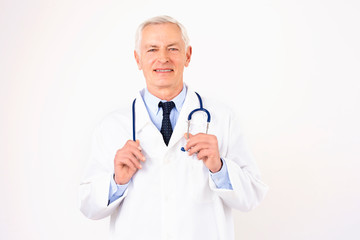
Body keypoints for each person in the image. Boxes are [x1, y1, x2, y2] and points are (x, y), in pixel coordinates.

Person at [79, 15, 268, 240]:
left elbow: (253, 196)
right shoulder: (111, 127)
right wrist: (116, 181)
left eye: (172, 49)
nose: (163, 58)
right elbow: (89, 206)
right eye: (152, 50)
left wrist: (219, 168)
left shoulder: (222, 119)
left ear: (187, 56)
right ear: (137, 59)